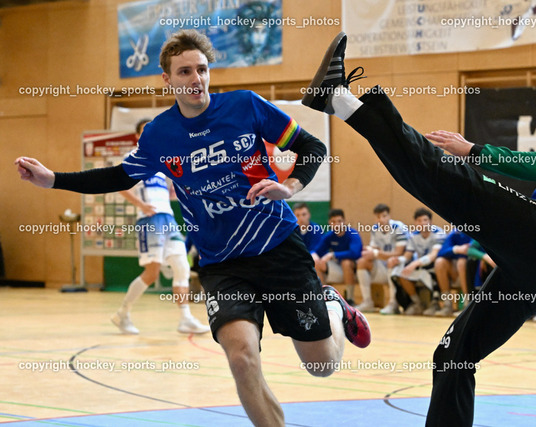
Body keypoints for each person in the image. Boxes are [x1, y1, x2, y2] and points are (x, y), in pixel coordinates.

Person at [16, 29, 370, 427]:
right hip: (223, 264)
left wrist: (289, 187)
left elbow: (312, 147)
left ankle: (332, 305)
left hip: (277, 247)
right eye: (184, 71)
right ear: (167, 79)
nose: (195, 78)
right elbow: (117, 176)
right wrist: (53, 180)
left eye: (201, 69)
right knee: (241, 358)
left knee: (321, 366)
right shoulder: (159, 134)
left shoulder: (245, 106)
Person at [302, 33, 536, 426]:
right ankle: (337, 100)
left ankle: (338, 99)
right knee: (453, 355)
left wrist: (475, 151)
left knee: (452, 179)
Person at [111, 119, 209, 335]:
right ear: (137, 136)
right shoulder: (132, 157)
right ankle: (122, 314)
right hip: (150, 220)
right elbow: (119, 185)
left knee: (182, 266)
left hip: (168, 218)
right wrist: (141, 205)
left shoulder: (162, 160)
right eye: (145, 130)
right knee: (152, 273)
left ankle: (186, 319)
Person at [392, 208, 446, 315]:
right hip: (422, 266)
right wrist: (399, 259)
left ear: (430, 221)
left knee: (437, 267)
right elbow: (408, 254)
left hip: (436, 266)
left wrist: (415, 263)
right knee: (402, 273)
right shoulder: (413, 236)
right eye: (419, 221)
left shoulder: (439, 233)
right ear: (415, 222)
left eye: (425, 220)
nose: (422, 223)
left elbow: (434, 255)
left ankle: (435, 303)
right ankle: (416, 303)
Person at [356, 203, 408, 314]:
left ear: (389, 216)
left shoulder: (399, 227)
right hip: (383, 263)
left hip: (401, 264)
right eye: (378, 217)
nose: (381, 219)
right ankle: (367, 302)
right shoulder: (375, 229)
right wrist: (368, 250)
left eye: (384, 216)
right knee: (362, 262)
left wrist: (375, 253)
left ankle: (393, 303)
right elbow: (375, 248)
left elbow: (399, 252)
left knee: (391, 261)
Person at [312, 208, 363, 302]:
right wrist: (314, 255)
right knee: (317, 262)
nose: (337, 225)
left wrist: (333, 254)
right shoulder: (329, 236)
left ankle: (350, 298)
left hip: (354, 269)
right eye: (333, 222)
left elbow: (355, 253)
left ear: (344, 221)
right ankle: (323, 296)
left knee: (346, 262)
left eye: (339, 221)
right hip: (337, 267)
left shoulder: (352, 234)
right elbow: (316, 251)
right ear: (329, 223)